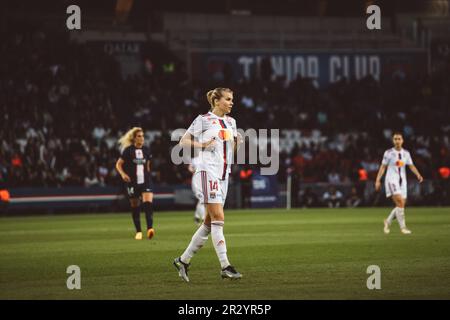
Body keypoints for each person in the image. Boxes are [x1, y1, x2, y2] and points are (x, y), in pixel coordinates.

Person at [173, 87, 243, 282]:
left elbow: (231, 152)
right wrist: (202, 145)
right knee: (219, 217)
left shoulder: (231, 122)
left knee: (209, 222)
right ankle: (225, 266)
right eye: (228, 99)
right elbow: (183, 141)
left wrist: (237, 143)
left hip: (224, 175)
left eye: (232, 99)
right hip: (207, 172)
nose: (231, 102)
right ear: (217, 101)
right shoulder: (203, 119)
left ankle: (183, 260)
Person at [375, 132, 423, 234]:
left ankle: (387, 222)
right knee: (400, 203)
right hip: (391, 180)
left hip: (402, 182)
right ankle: (403, 228)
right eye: (395, 139)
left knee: (400, 205)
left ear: (402, 140)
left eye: (399, 139)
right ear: (393, 141)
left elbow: (411, 166)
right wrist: (378, 180)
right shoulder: (388, 153)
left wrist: (418, 174)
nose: (397, 141)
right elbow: (383, 167)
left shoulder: (406, 153)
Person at [115, 127, 155, 240]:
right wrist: (123, 174)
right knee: (135, 206)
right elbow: (118, 164)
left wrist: (148, 176)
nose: (142, 138)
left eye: (142, 136)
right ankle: (138, 231)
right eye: (139, 136)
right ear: (134, 138)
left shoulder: (147, 150)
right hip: (132, 182)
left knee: (148, 204)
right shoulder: (128, 150)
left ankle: (150, 229)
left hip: (145, 181)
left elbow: (148, 166)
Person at [188, 155, 206, 225]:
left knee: (202, 199)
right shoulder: (194, 159)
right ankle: (204, 218)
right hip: (196, 180)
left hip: (203, 179)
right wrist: (194, 170)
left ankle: (197, 216)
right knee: (202, 199)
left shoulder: (206, 158)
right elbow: (189, 168)